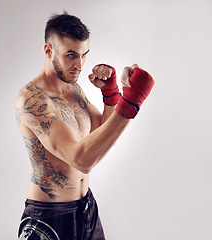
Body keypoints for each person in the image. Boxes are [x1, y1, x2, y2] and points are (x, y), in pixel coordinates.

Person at [16, 12, 154, 240]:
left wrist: (111, 95)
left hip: (86, 209)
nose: (79, 65)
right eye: (71, 55)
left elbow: (101, 132)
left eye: (83, 55)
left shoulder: (73, 89)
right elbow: (81, 159)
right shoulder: (32, 100)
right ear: (48, 51)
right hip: (49, 218)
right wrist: (130, 103)